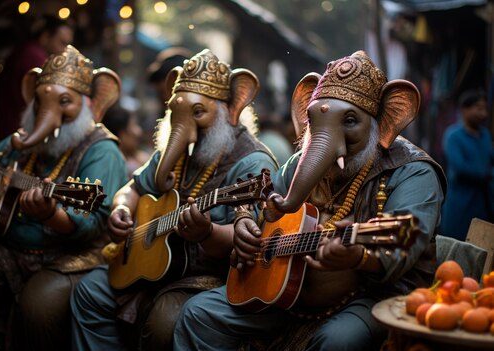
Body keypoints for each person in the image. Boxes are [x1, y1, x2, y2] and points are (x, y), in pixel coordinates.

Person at [173, 51, 446, 351]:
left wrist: (359, 257)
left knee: (337, 342)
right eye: (317, 122)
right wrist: (245, 221)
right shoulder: (300, 164)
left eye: (350, 121)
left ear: (383, 121)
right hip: (285, 294)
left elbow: (406, 241)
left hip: (372, 296)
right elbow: (261, 205)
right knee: (199, 314)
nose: (325, 137)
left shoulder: (412, 171)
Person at [70, 49, 279, 350]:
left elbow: (255, 239)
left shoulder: (252, 163)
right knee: (89, 291)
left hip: (209, 278)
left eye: (197, 114)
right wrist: (121, 209)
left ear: (229, 107)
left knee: (163, 320)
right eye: (177, 114)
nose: (185, 125)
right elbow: (133, 188)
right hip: (152, 267)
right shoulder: (178, 151)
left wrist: (208, 233)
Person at [0, 45, 126, 351]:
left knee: (39, 304)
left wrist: (50, 214)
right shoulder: (26, 139)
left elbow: (90, 225)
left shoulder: (102, 150)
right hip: (10, 247)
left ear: (91, 103)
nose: (50, 112)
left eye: (65, 102)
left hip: (68, 258)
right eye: (42, 100)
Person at [0, 15, 75, 140]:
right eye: (62, 43)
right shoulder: (34, 57)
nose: (64, 51)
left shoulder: (28, 51)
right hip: (16, 131)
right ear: (45, 37)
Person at [440, 89, 494, 240]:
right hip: (461, 202)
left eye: (485, 109)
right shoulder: (453, 136)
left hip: (483, 203)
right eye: (478, 108)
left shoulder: (485, 136)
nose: (483, 113)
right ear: (464, 109)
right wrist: (487, 174)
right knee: (457, 245)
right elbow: (460, 167)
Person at [104, 105, 151, 178]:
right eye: (133, 125)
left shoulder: (142, 159)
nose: (139, 131)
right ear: (122, 134)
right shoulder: (114, 167)